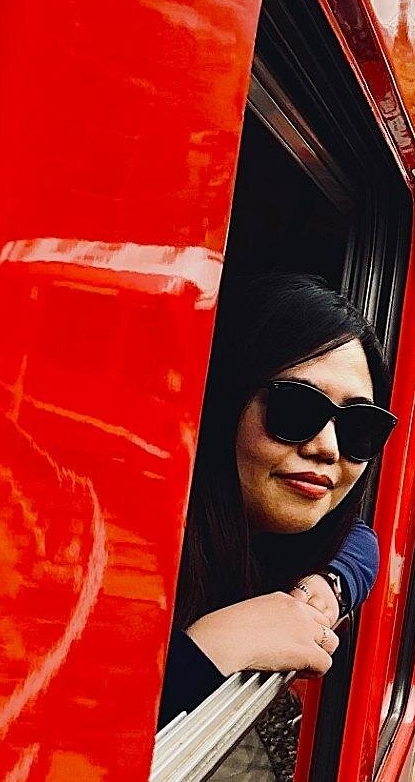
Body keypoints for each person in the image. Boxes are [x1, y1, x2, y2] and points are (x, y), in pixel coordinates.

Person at [158, 273, 398, 727]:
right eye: (297, 409)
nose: (327, 448)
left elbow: (359, 541)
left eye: (359, 426)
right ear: (221, 402)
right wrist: (213, 649)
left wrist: (330, 586)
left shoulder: (272, 536)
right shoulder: (115, 553)